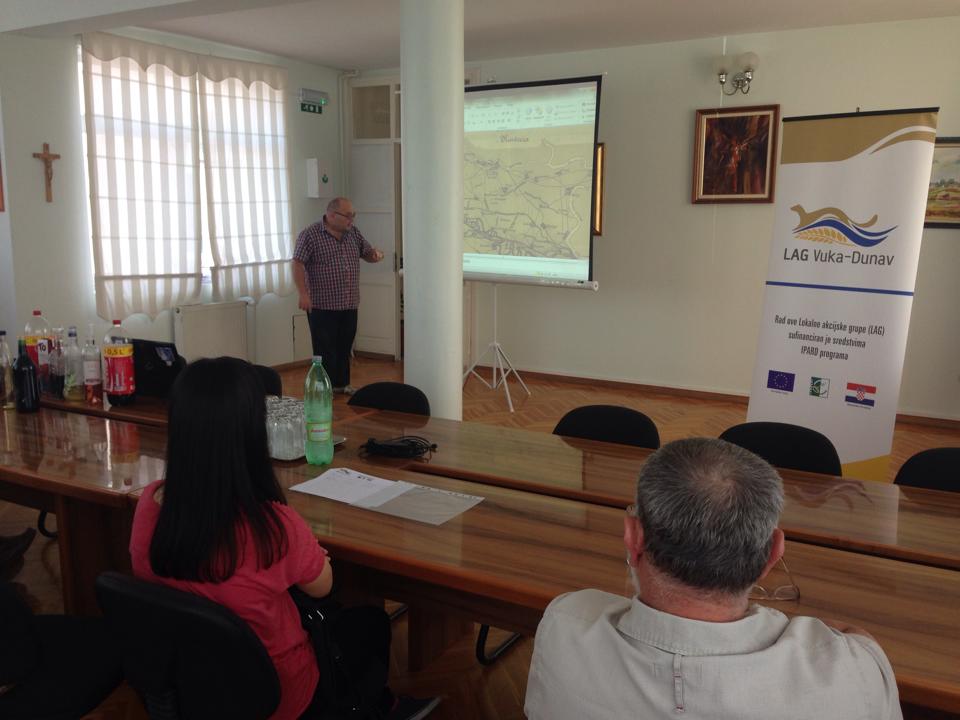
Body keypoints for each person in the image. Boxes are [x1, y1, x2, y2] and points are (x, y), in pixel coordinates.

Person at [129, 357, 438, 720]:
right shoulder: (271, 526)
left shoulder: (149, 505)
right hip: (280, 698)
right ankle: (378, 708)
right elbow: (323, 586)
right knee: (371, 623)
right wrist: (310, 555)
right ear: (251, 435)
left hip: (191, 687)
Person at [525, 438, 902, 720]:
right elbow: (856, 641)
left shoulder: (564, 624)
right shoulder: (850, 673)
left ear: (633, 538)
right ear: (772, 554)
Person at [293, 197, 384, 395]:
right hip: (322, 305)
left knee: (344, 346)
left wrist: (375, 255)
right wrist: (303, 294)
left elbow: (367, 252)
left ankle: (342, 384)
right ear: (332, 215)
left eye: (353, 216)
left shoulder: (353, 233)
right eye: (348, 216)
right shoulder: (310, 235)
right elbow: (297, 263)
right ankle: (325, 389)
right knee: (325, 349)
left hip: (349, 303)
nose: (352, 220)